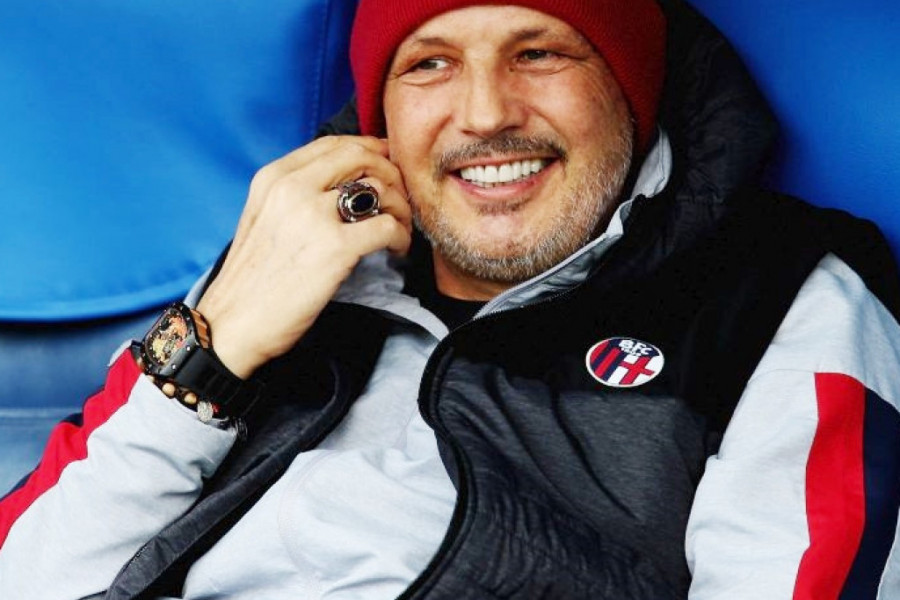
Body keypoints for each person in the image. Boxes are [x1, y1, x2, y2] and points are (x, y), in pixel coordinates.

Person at [2, 0, 899, 597]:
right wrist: (214, 351)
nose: (484, 114)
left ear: (629, 87)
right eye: (429, 64)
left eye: (538, 53)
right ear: (381, 119)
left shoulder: (782, 292)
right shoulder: (292, 258)